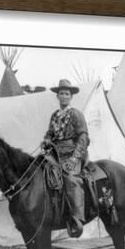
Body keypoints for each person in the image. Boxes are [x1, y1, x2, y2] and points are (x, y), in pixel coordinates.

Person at [41, 79, 89, 238]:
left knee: (70, 178)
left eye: (66, 94)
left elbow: (83, 137)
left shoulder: (76, 114)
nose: (63, 96)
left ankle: (77, 218)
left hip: (72, 152)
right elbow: (50, 133)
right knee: (40, 170)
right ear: (57, 96)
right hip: (55, 152)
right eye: (61, 93)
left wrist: (75, 158)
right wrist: (47, 139)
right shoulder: (55, 115)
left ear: (71, 96)